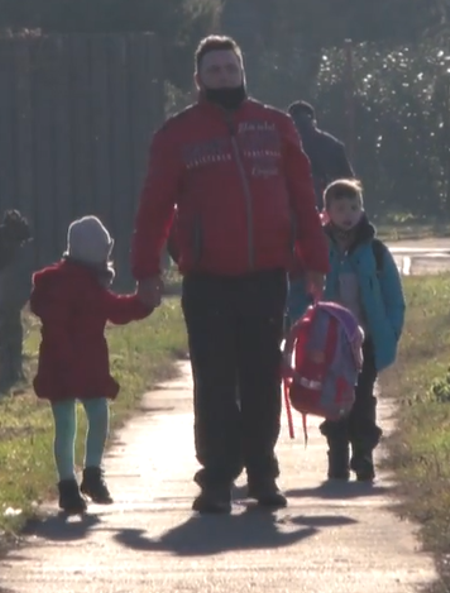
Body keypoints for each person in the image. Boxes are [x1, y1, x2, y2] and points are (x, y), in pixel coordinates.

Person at [130, 35, 329, 514]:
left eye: (231, 67)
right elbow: (154, 207)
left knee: (262, 377)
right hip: (207, 279)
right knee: (215, 380)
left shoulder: (275, 126)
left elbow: (304, 197)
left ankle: (262, 472)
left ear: (243, 70)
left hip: (265, 276)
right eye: (214, 70)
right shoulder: (177, 134)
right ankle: (217, 477)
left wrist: (315, 262)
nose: (224, 76)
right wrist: (146, 271)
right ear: (198, 79)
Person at [30, 215, 156, 515]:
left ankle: (72, 485)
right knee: (96, 416)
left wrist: (141, 304)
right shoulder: (80, 285)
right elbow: (116, 309)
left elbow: (111, 308)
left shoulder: (75, 283)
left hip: (67, 363)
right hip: (77, 363)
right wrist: (143, 304)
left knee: (67, 426)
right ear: (97, 253)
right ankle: (88, 475)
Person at [286, 178, 405, 482]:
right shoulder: (314, 250)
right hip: (327, 343)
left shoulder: (375, 251)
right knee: (332, 398)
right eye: (340, 208)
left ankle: (363, 454)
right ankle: (337, 452)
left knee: (362, 396)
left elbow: (393, 298)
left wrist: (389, 333)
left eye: (354, 206)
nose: (348, 213)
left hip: (364, 341)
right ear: (327, 212)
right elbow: (299, 291)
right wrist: (301, 326)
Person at [287, 101, 355, 210]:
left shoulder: (282, 146)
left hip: (318, 207)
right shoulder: (333, 145)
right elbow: (350, 183)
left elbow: (349, 182)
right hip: (328, 207)